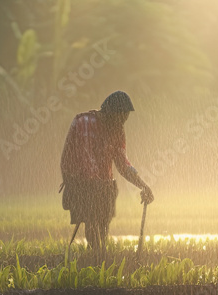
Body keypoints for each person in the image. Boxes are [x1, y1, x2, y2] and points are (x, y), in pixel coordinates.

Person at [60, 91, 155, 254]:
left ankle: (99, 254)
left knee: (103, 222)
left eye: (125, 118)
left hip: (103, 184)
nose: (123, 122)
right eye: (121, 117)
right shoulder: (84, 122)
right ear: (110, 112)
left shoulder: (117, 130)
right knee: (93, 220)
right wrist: (95, 186)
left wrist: (143, 185)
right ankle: (96, 253)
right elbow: (85, 158)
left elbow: (122, 163)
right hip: (79, 181)